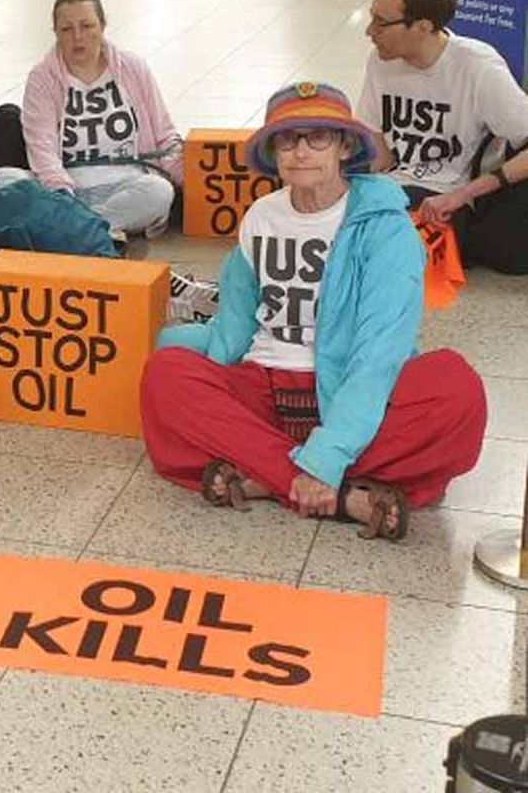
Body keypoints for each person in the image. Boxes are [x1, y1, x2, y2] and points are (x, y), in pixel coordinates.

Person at [140, 82, 486, 542]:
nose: (301, 151)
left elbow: (378, 355)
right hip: (264, 386)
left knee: (456, 390)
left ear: (345, 147)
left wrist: (327, 454)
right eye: (288, 139)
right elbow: (234, 327)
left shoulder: (387, 229)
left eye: (317, 137)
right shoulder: (261, 215)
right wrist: (185, 367)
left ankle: (270, 474)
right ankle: (342, 496)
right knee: (165, 375)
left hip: (350, 391)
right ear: (273, 151)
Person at [357, 0, 528, 274]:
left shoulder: (478, 67)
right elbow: (377, 149)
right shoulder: (381, 60)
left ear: (422, 27)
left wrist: (463, 194)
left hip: (452, 194)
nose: (370, 32)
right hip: (396, 186)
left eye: (381, 23)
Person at [0, 0, 183, 239]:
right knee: (1, 180)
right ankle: (96, 229)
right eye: (66, 29)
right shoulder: (42, 78)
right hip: (61, 190)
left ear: (102, 26)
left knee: (159, 192)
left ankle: (68, 229)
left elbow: (165, 136)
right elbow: (41, 147)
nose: (77, 37)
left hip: (126, 185)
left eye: (86, 26)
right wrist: (62, 195)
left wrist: (190, 180)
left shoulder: (133, 68)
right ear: (55, 33)